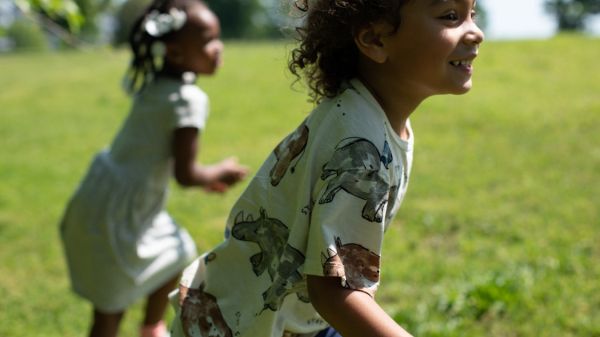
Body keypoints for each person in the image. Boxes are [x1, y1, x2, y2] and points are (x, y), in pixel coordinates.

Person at [170, 0, 484, 336]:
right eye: (450, 16)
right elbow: (335, 292)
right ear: (376, 40)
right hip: (241, 325)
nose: (476, 33)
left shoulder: (372, 119)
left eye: (472, 15)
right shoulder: (360, 137)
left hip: (294, 319)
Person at [59, 1, 248, 336]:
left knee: (177, 251)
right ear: (174, 53)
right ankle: (151, 325)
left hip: (103, 195)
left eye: (218, 38)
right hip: (123, 215)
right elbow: (185, 175)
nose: (218, 48)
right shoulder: (188, 100)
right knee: (111, 307)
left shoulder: (155, 84)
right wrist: (220, 172)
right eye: (207, 41)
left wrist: (207, 178)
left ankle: (152, 326)